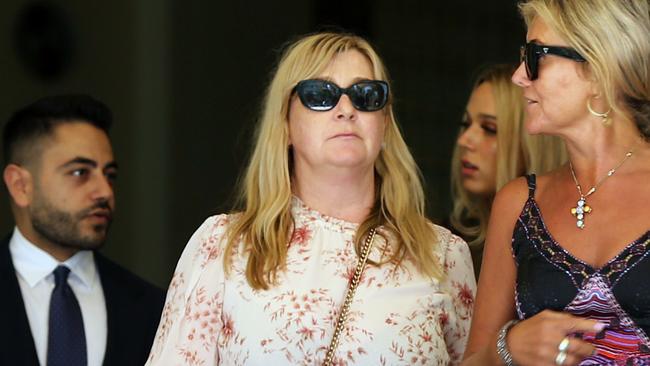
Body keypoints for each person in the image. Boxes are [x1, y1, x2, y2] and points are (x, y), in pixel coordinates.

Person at [146, 32, 476, 365]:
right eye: (320, 94)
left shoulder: (442, 255)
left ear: (386, 124)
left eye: (366, 95)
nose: (346, 109)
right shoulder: (224, 246)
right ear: (285, 124)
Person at [463, 0, 650, 365]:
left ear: (598, 70)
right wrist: (509, 347)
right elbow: (472, 360)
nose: (519, 75)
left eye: (535, 56)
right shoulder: (519, 202)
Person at [1, 94, 166, 366]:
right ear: (20, 186)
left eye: (109, 175)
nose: (104, 192)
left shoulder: (152, 308)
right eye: (80, 172)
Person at [450, 64, 566, 276]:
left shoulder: (560, 247)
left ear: (532, 144)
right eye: (466, 124)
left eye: (489, 129)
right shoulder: (450, 244)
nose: (464, 140)